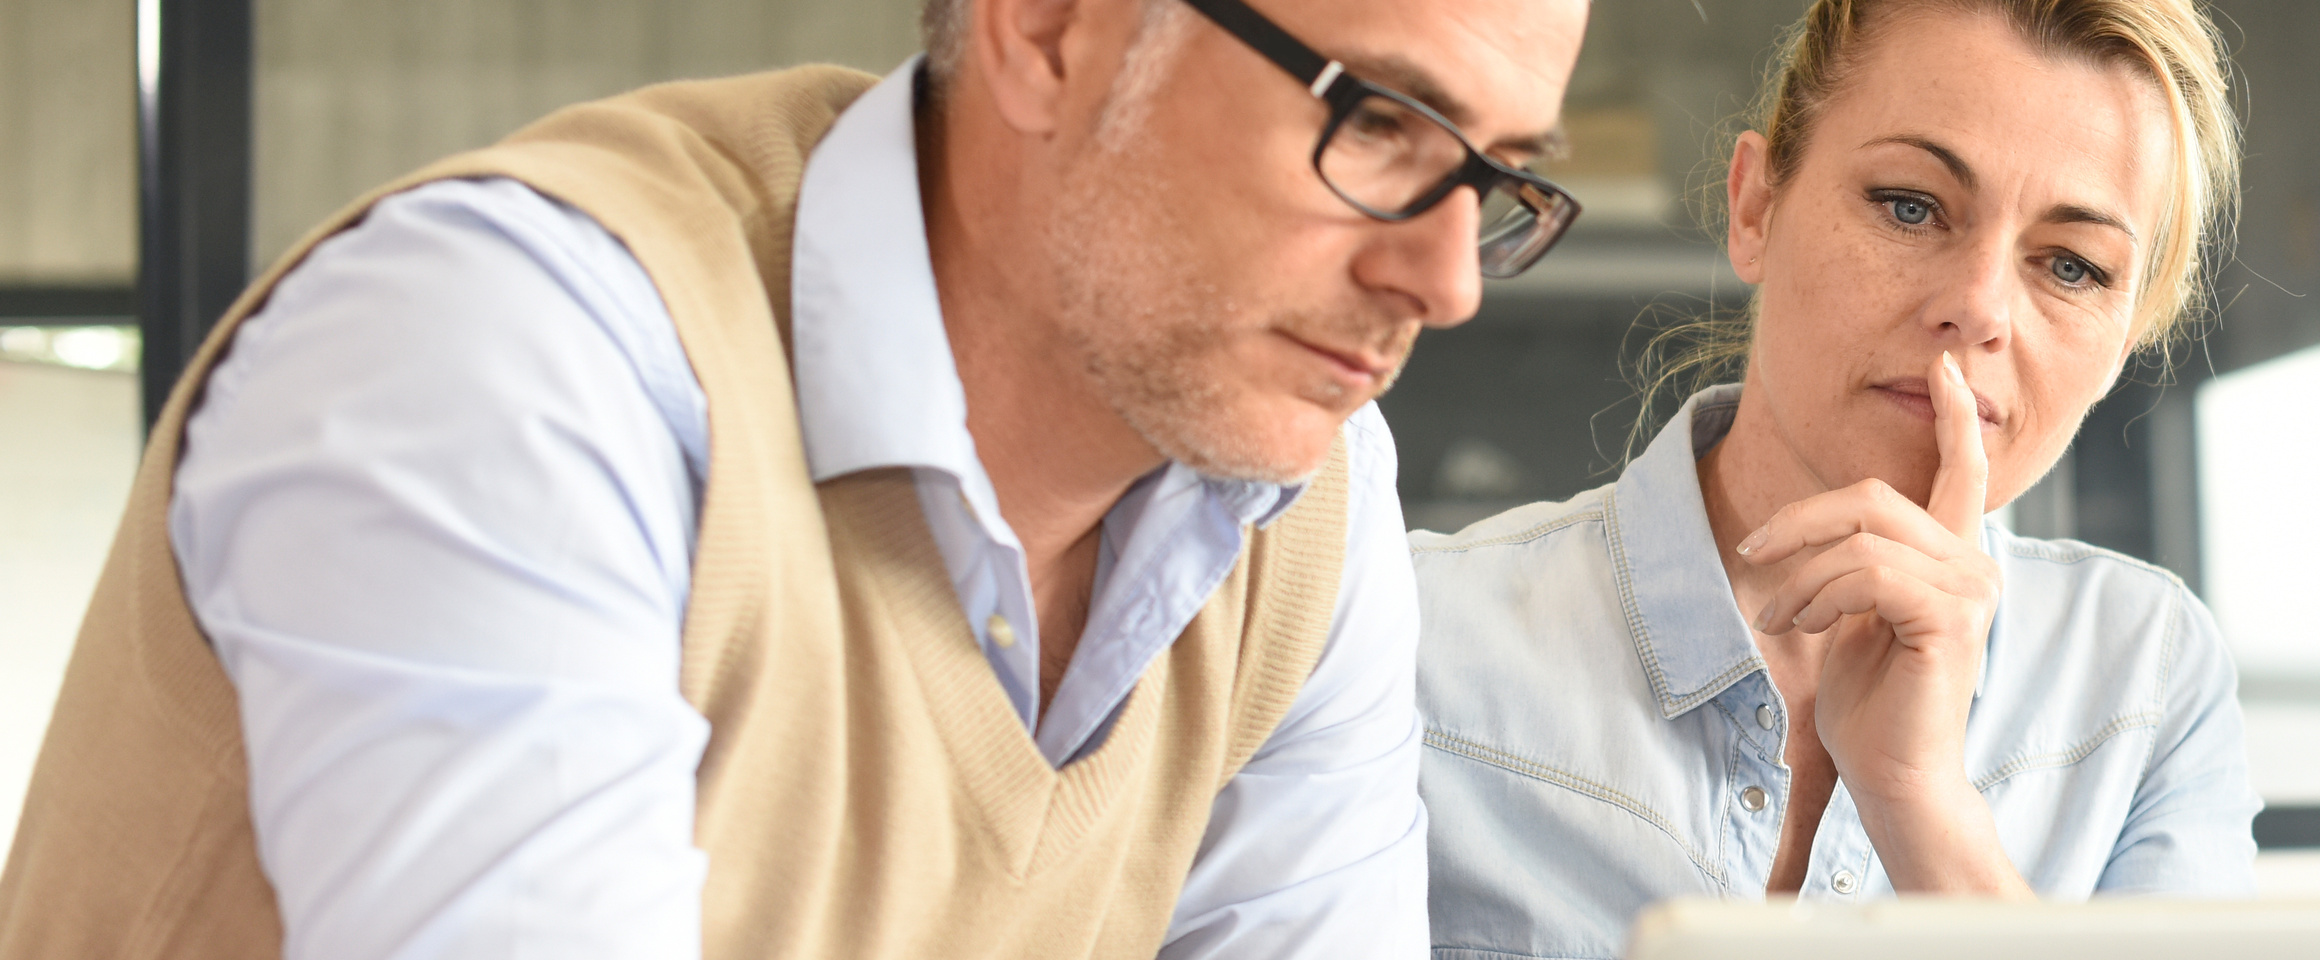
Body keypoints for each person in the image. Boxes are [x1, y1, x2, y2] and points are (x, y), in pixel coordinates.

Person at [0, 0, 1584, 956]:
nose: (1448, 281)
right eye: (1380, 123)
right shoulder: (516, 351)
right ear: (1048, 30)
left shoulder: (1306, 499)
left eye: (1505, 180)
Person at [1406, 0, 2253, 955]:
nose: (1977, 308)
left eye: (2071, 266)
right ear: (1755, 208)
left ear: (2129, 338)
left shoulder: (2145, 677)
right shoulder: (1414, 643)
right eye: (1909, 205)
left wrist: (1921, 801)